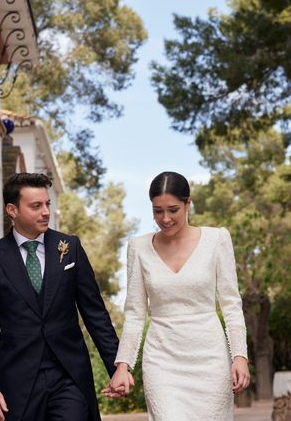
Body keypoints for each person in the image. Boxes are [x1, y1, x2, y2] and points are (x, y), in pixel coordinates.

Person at [0, 173, 132, 421]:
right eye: (36, 206)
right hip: (19, 382)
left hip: (69, 376)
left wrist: (118, 366)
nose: (46, 212)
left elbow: (95, 314)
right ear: (12, 209)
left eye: (47, 204)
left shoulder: (70, 247)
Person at [104, 171, 250, 420]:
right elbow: (135, 313)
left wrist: (240, 357)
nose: (165, 218)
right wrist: (122, 366)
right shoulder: (138, 247)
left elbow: (231, 304)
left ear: (188, 203)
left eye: (173, 209)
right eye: (158, 211)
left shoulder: (217, 240)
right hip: (162, 361)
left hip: (210, 360)